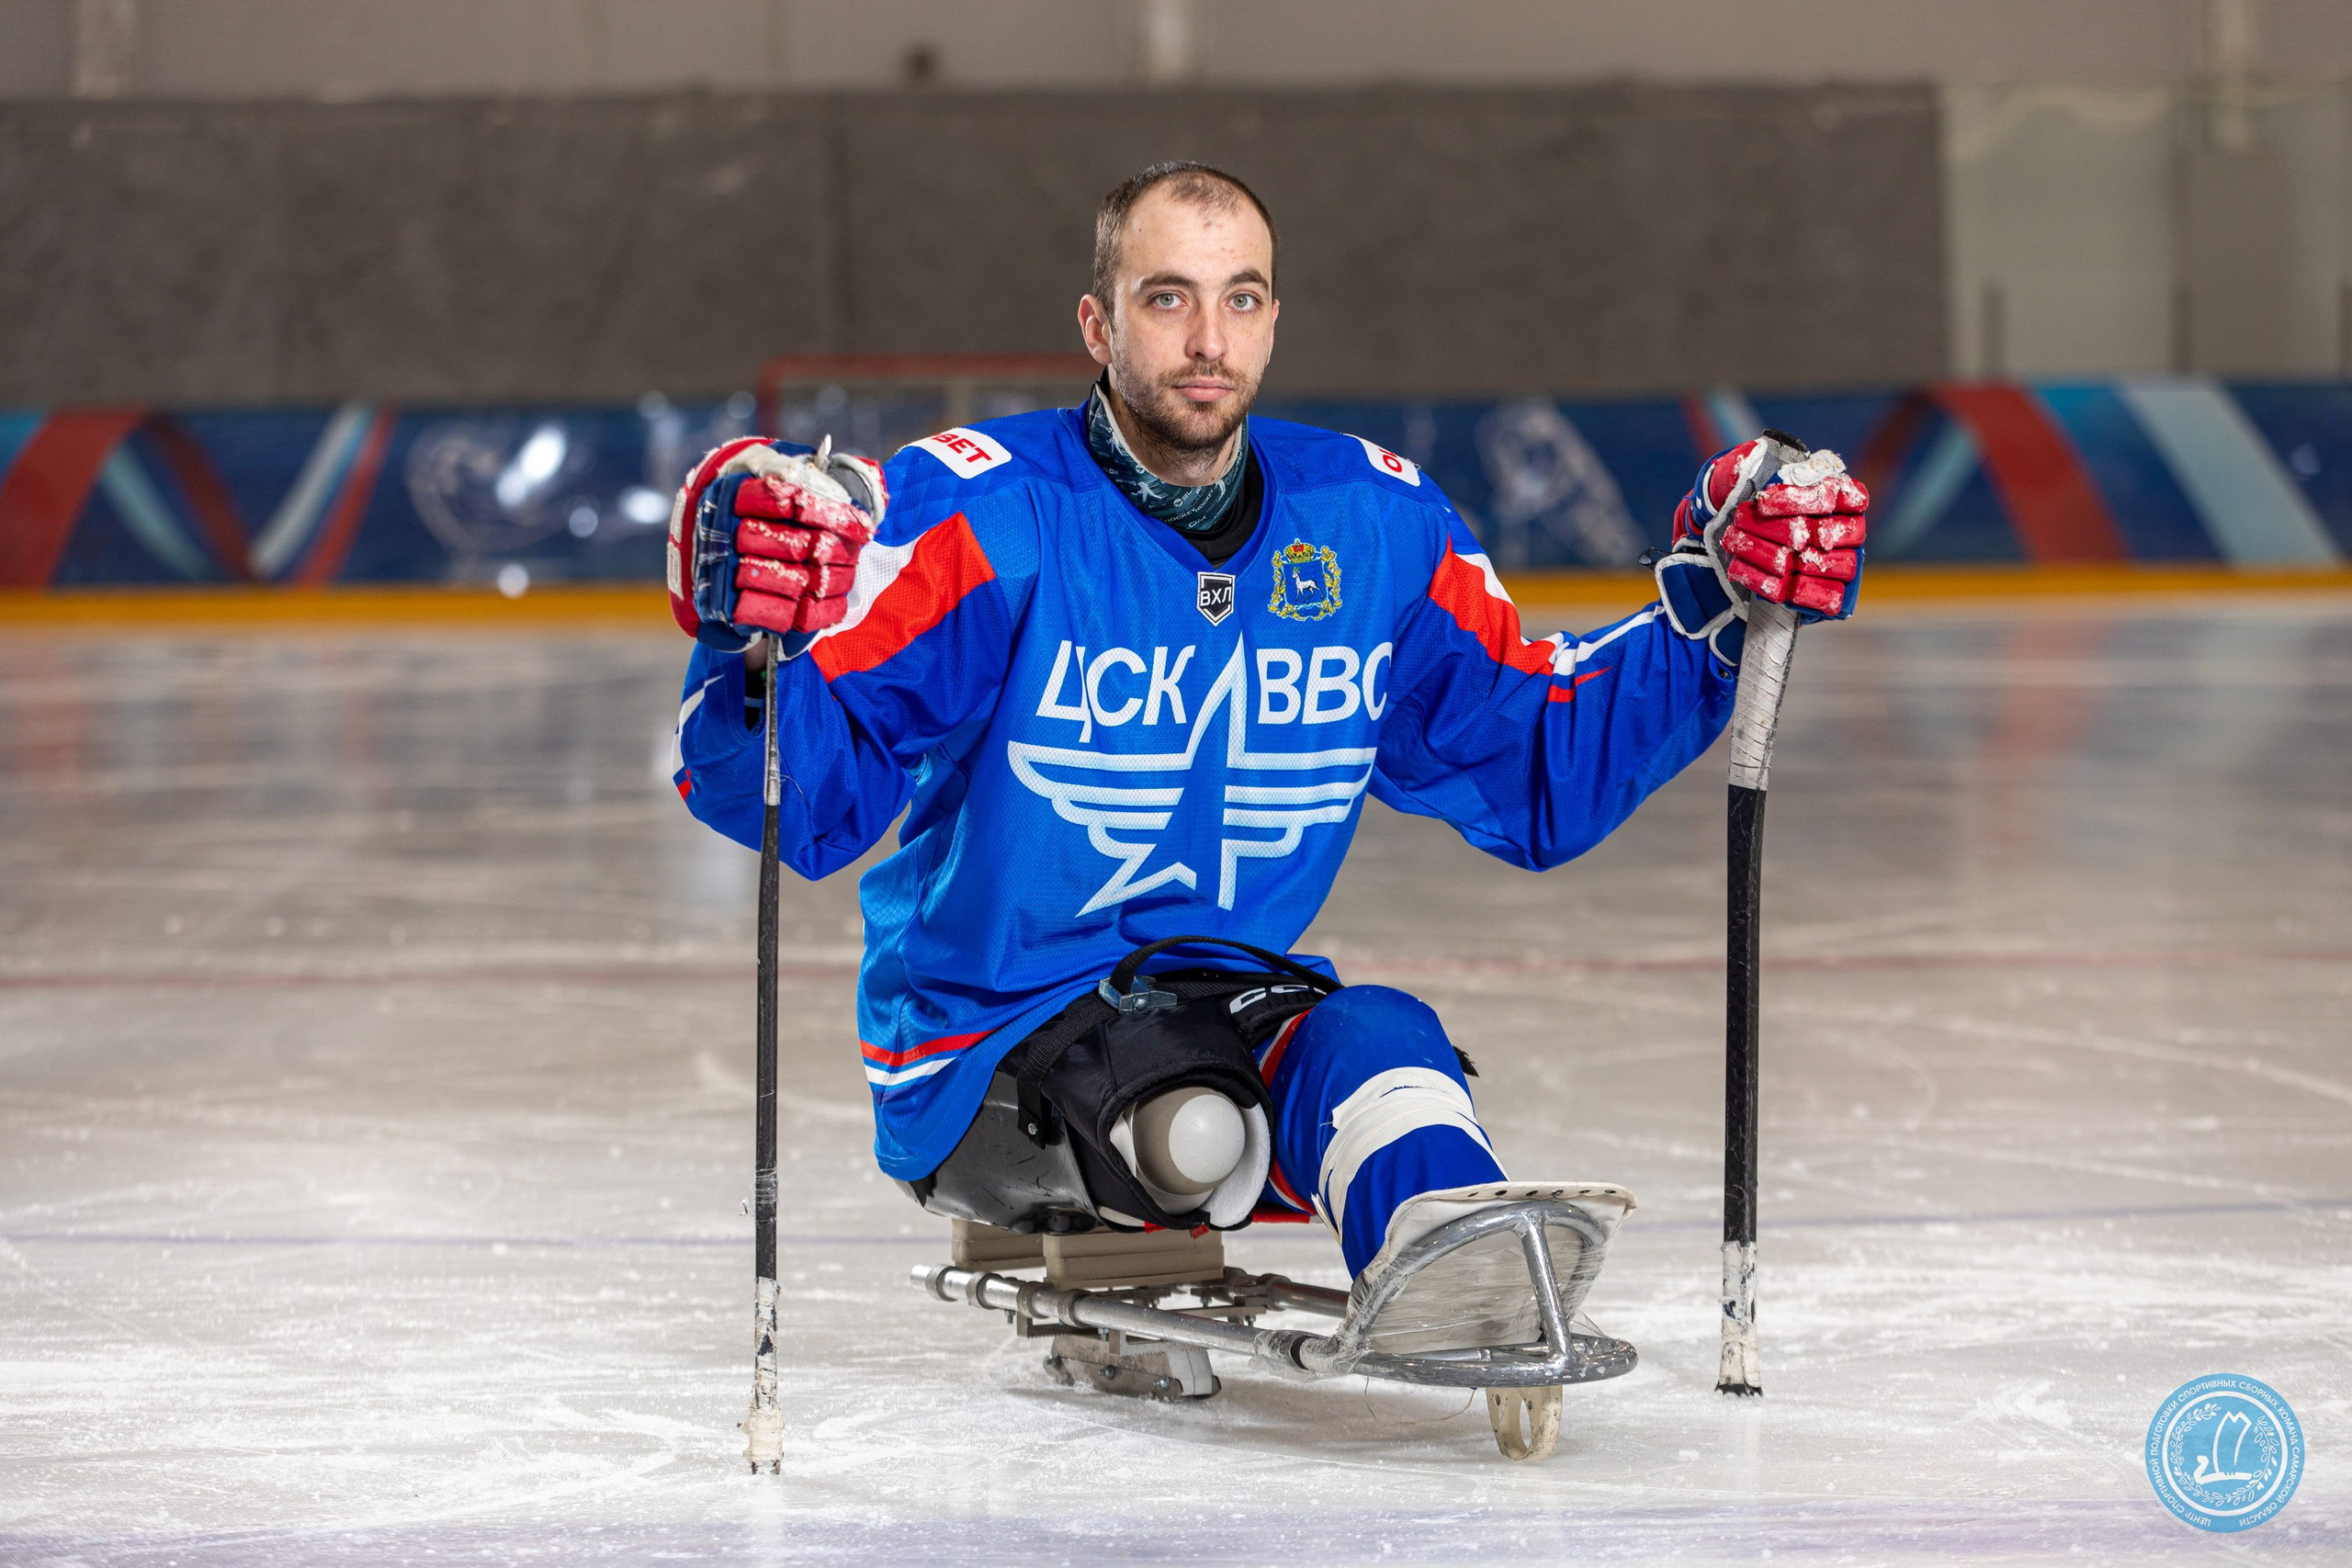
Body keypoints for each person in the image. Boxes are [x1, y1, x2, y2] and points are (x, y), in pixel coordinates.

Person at [663, 162, 1866, 1325]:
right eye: (1167, 299)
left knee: (1383, 1044)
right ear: (1098, 325)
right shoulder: (981, 514)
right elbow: (802, 797)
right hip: (990, 1031)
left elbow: (1533, 757)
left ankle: (1466, 1281)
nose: (1208, 340)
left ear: (1274, 321)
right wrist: (746, 640)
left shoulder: (1375, 520)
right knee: (1197, 1124)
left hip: (1223, 1000)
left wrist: (1707, 612)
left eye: (1240, 299)